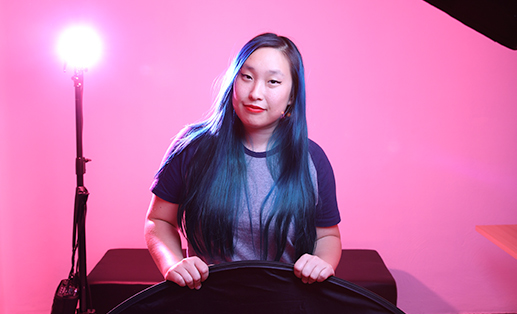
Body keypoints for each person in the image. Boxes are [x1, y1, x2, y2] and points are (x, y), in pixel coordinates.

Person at [144, 33, 341, 290]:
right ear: (233, 82)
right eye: (247, 77)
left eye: (272, 81)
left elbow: (328, 235)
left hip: (288, 301)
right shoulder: (192, 148)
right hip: (208, 300)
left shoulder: (312, 160)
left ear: (292, 96)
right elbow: (158, 221)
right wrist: (173, 263)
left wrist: (321, 263)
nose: (255, 93)